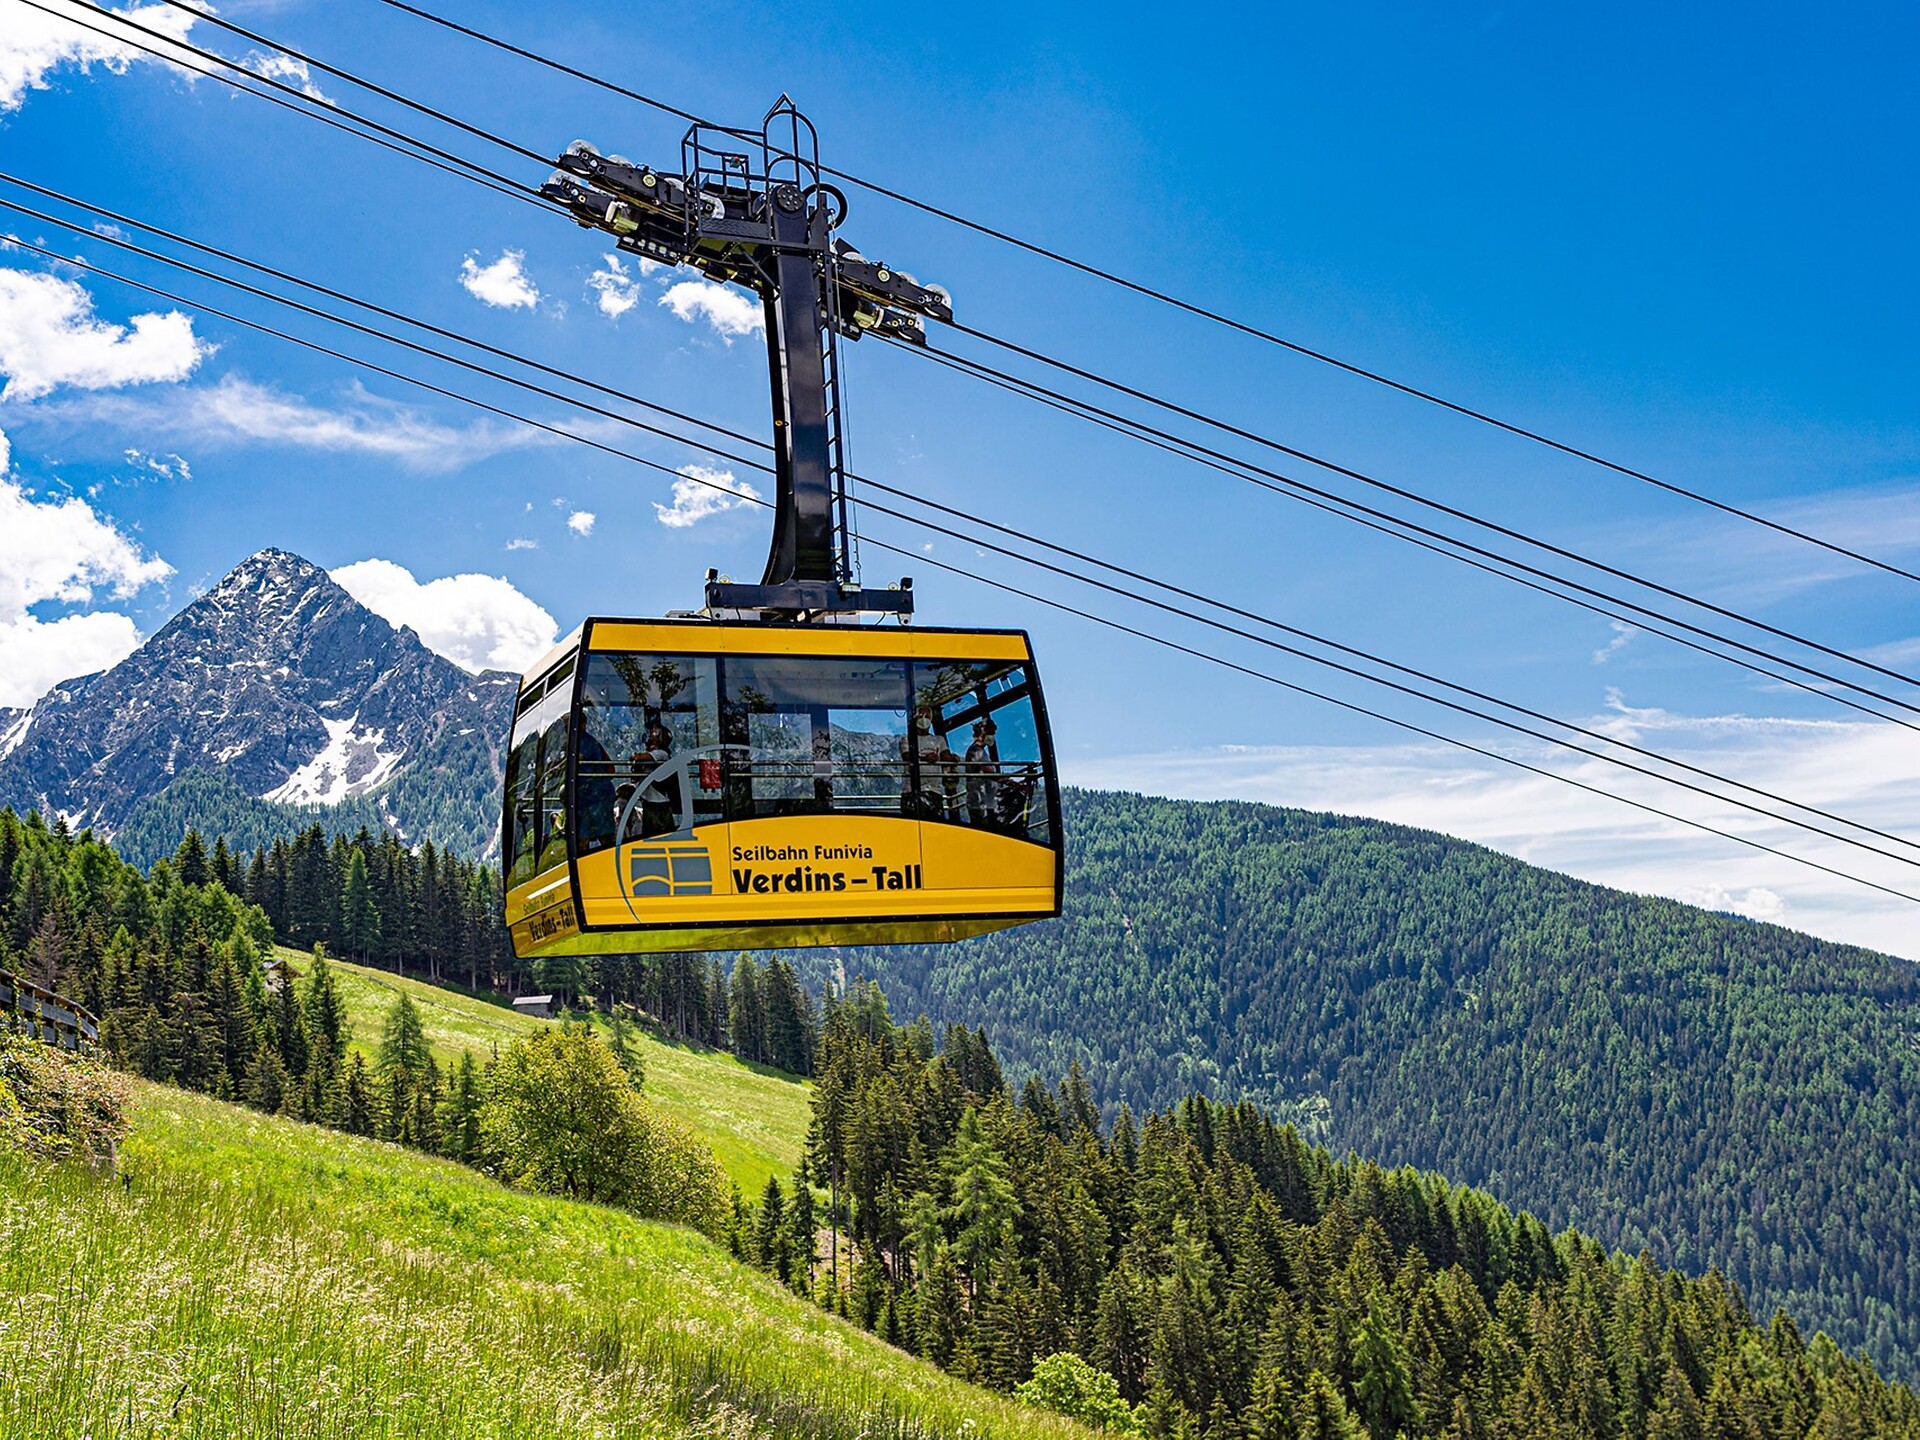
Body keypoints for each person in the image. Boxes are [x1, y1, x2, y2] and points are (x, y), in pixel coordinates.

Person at [632, 718, 681, 836]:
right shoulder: (653, 756)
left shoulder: (662, 754)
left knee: (662, 833)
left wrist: (636, 756)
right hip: (649, 801)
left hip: (659, 802)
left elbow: (639, 757)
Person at [964, 719, 1000, 826]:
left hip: (986, 802)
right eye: (991, 733)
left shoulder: (983, 752)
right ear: (983, 732)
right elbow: (987, 770)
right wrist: (1009, 781)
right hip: (980, 803)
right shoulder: (975, 750)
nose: (992, 736)